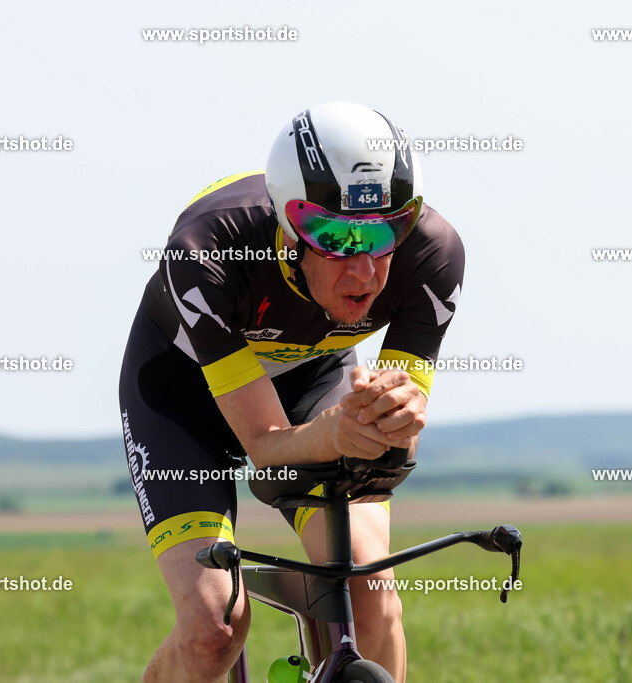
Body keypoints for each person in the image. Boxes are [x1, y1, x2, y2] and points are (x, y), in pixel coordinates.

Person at [118, 101, 465, 682]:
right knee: (213, 628)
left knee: (368, 586)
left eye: (383, 233)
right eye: (332, 237)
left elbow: (399, 417)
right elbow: (265, 443)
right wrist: (334, 433)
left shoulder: (432, 254)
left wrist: (393, 417)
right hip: (181, 396)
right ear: (287, 224)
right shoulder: (209, 249)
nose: (363, 271)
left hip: (313, 379)